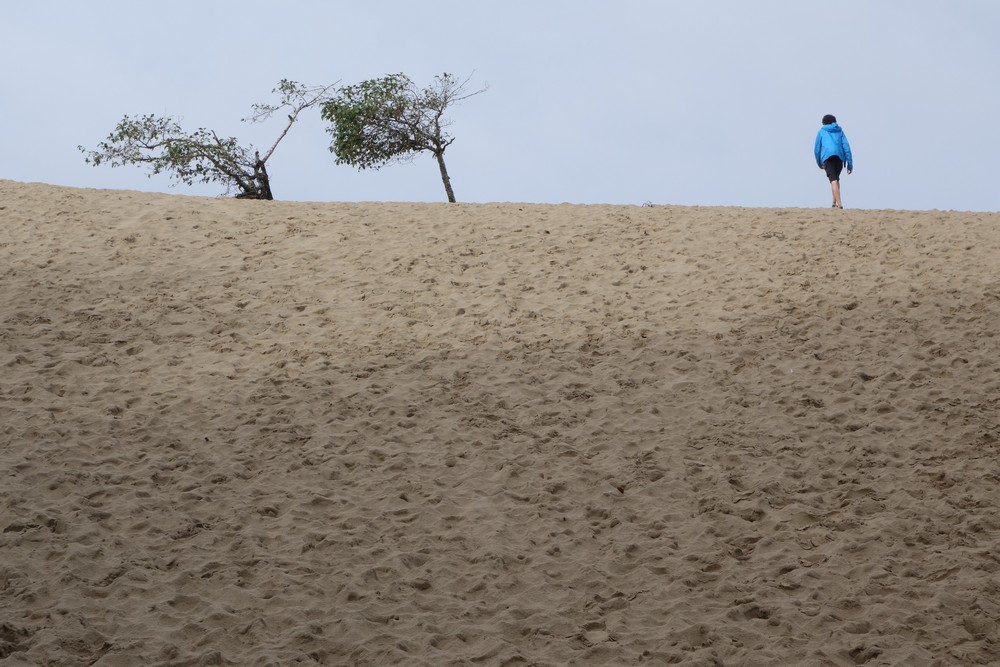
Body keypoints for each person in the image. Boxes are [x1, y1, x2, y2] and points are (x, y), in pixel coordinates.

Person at [814, 114, 853, 208]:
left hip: (827, 157)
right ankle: (834, 203)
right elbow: (846, 147)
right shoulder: (839, 131)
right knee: (836, 179)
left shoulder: (821, 132)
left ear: (823, 122)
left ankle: (839, 204)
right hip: (839, 157)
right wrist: (850, 164)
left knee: (833, 180)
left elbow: (816, 149)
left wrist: (819, 162)